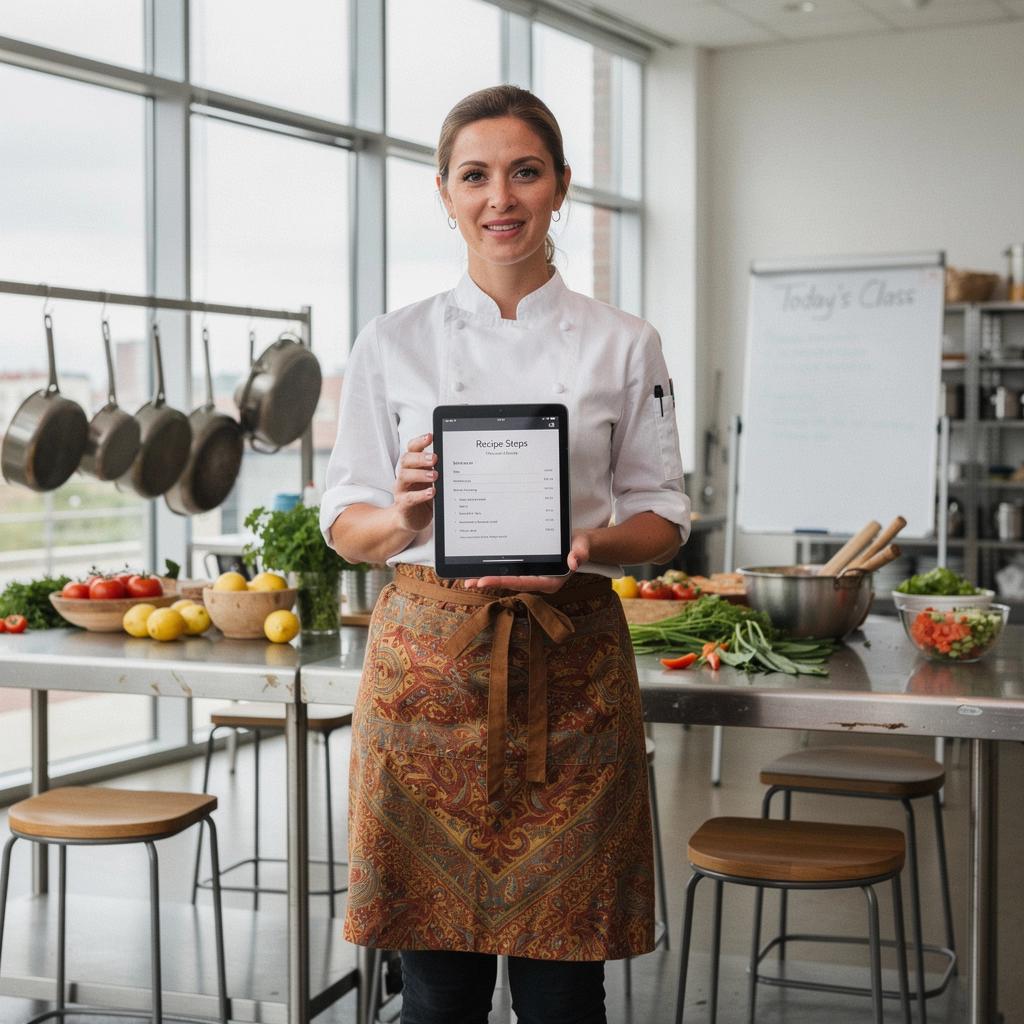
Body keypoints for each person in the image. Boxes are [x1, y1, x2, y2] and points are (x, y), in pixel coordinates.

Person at [320, 84, 690, 1024]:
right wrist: (403, 519)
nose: (501, 198)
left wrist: (587, 542)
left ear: (561, 186)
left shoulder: (624, 342)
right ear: (443, 192)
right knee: (437, 988)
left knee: (565, 984)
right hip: (426, 683)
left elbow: (663, 518)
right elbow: (345, 523)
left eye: (525, 172)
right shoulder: (390, 342)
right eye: (475, 175)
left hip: (573, 674)